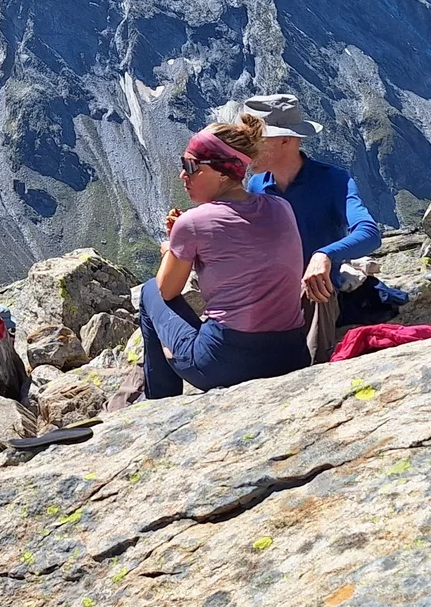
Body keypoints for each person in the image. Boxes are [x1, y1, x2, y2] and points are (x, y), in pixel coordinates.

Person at [141, 115, 310, 399]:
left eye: (191, 166)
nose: (183, 175)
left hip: (226, 364)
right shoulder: (281, 206)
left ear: (221, 172)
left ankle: (159, 403)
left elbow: (167, 290)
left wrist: (172, 247)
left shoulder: (193, 223)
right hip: (291, 354)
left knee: (149, 292)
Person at [241, 94, 383, 363]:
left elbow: (369, 233)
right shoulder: (256, 185)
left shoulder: (333, 180)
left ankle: (311, 373)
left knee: (316, 288)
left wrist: (324, 255)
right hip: (274, 291)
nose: (245, 149)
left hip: (316, 291)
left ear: (286, 140)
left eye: (254, 139)